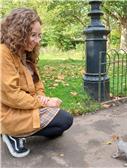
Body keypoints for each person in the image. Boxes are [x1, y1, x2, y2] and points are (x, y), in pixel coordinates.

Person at [0, 8, 73, 158]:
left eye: (39, 35)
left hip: (27, 106)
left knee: (59, 128)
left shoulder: (25, 52)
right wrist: (42, 103)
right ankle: (11, 134)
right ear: (18, 32)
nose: (37, 40)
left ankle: (16, 132)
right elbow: (11, 95)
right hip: (9, 111)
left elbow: (37, 84)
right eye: (33, 35)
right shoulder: (3, 53)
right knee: (65, 119)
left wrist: (44, 99)